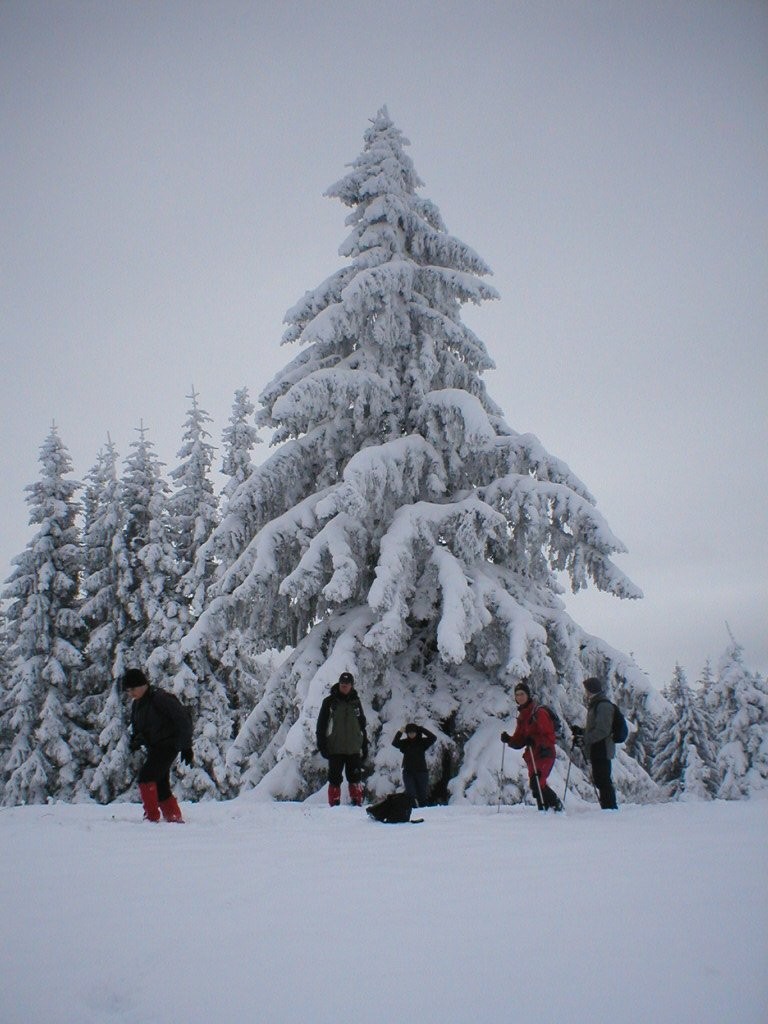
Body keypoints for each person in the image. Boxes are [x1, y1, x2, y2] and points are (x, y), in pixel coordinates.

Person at [124, 668, 194, 823]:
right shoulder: (137, 705)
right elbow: (140, 728)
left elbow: (183, 719)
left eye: (132, 689)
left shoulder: (160, 698)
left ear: (143, 685)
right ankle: (173, 817)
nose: (130, 694)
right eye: (128, 691)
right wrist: (136, 740)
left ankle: (151, 817)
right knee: (161, 784)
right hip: (155, 748)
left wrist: (186, 746)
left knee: (146, 777)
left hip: (169, 745)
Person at [501, 681, 563, 811]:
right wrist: (509, 740)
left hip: (544, 753)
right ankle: (547, 810)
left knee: (537, 783)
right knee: (537, 785)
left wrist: (534, 740)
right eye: (517, 694)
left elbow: (548, 735)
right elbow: (520, 739)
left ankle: (555, 806)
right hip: (533, 755)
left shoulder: (539, 713)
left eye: (522, 694)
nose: (519, 697)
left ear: (528, 695)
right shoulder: (523, 716)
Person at [316, 671, 368, 806]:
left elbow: (362, 725)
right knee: (334, 779)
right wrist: (322, 745)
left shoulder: (356, 703)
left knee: (355, 778)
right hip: (335, 748)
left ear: (351, 685)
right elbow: (321, 725)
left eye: (347, 684)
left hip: (353, 748)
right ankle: (334, 805)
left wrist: (364, 745)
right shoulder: (329, 702)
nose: (344, 686)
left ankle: (357, 803)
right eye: (342, 684)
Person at [572, 676, 618, 810]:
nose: (585, 692)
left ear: (591, 690)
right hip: (598, 747)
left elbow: (602, 730)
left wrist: (585, 739)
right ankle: (608, 808)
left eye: (586, 689)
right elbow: (595, 728)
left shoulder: (602, 705)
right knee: (600, 778)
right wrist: (581, 731)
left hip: (602, 748)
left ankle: (610, 808)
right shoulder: (597, 704)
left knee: (603, 779)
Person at [392, 723, 436, 807]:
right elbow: (395, 743)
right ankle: (413, 810)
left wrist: (421, 729)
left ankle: (424, 811)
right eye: (409, 733)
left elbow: (433, 738)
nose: (411, 734)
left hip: (421, 772)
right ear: (407, 733)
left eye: (413, 732)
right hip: (408, 772)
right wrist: (400, 732)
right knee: (410, 794)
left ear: (416, 732)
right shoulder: (405, 743)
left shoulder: (422, 742)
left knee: (422, 795)